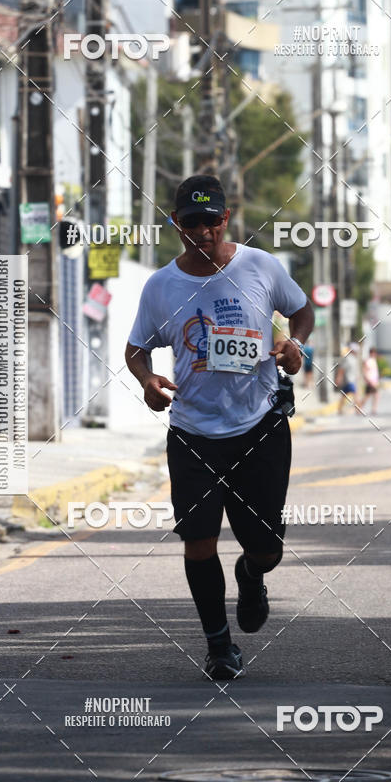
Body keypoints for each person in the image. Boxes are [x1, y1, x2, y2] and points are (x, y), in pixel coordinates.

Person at [125, 175, 314, 681]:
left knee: (266, 547)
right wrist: (146, 380)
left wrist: (297, 347)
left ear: (226, 219)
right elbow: (136, 347)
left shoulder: (260, 265)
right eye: (191, 222)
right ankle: (218, 645)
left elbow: (301, 312)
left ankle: (252, 576)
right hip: (192, 432)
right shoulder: (161, 286)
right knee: (199, 541)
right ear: (175, 224)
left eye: (211, 220)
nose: (202, 231)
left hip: (259, 427)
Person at [336, 343, 359, 414]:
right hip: (349, 380)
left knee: (344, 395)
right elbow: (342, 369)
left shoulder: (354, 358)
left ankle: (339, 409)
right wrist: (339, 378)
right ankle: (358, 410)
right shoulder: (348, 358)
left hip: (350, 380)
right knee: (355, 395)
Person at [359, 347, 380, 414]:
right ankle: (359, 408)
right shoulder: (367, 361)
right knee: (367, 396)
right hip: (370, 381)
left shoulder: (374, 360)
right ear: (371, 353)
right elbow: (364, 371)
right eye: (374, 353)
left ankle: (373, 409)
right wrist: (368, 380)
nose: (375, 354)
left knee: (374, 395)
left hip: (374, 381)